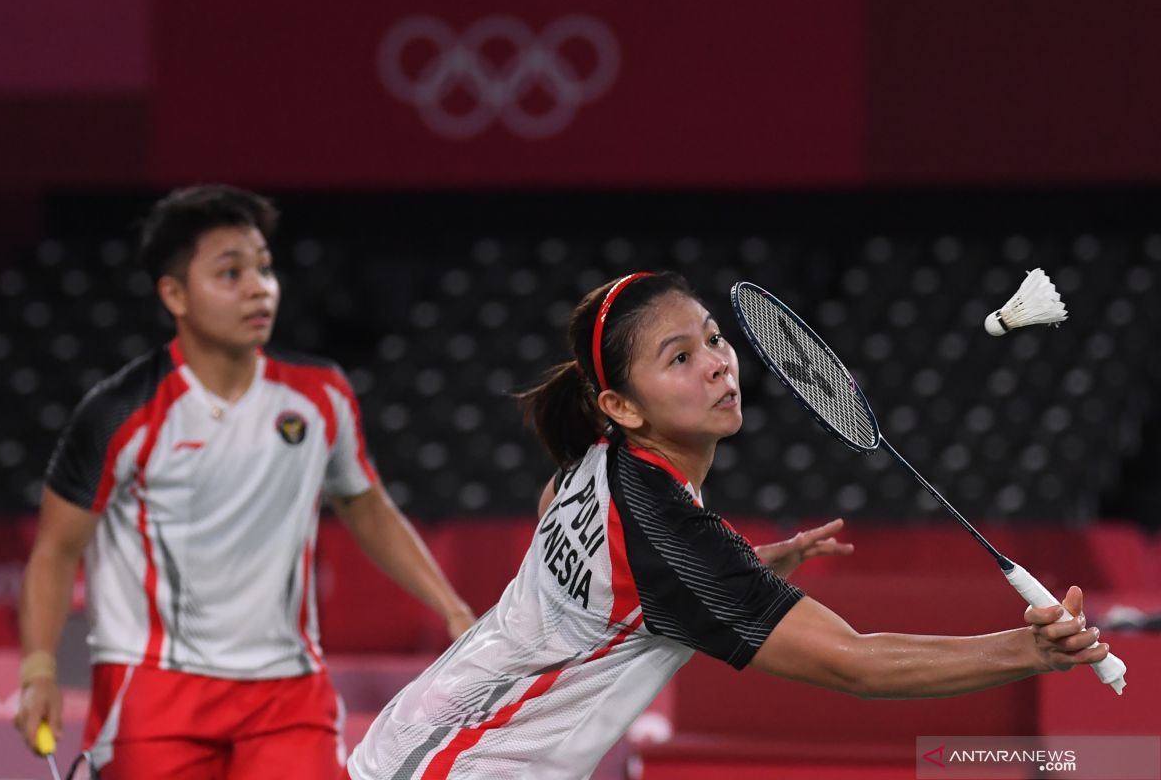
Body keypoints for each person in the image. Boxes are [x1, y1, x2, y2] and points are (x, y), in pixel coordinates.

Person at [347, 271, 1111, 780]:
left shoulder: (602, 457)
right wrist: (1029, 649)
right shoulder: (667, 534)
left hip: (405, 743)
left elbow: (569, 525)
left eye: (713, 338)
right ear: (622, 404)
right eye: (680, 358)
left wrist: (747, 568)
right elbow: (855, 664)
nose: (719, 363)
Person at [13, 185, 475, 779]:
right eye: (230, 273)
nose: (259, 287)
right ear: (174, 294)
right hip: (155, 688)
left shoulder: (319, 395)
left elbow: (365, 505)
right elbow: (55, 549)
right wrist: (38, 671)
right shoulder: (119, 413)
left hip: (287, 692)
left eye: (264, 268)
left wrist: (453, 609)